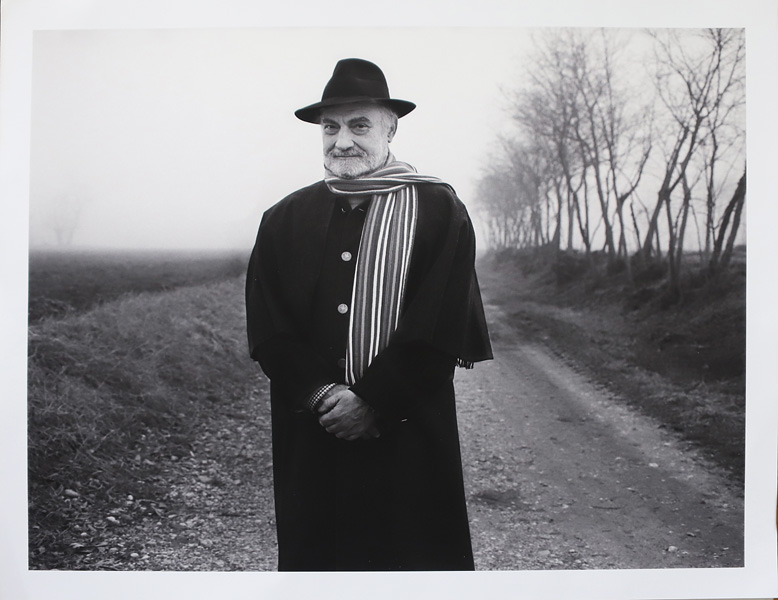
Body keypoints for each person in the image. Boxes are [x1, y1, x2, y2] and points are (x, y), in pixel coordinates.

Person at [245, 58, 492, 571]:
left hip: (407, 433)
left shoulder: (439, 211)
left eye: (359, 126)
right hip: (313, 434)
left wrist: (373, 401)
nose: (342, 142)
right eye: (330, 128)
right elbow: (270, 328)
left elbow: (439, 325)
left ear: (390, 129)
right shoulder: (283, 219)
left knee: (412, 565)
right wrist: (324, 394)